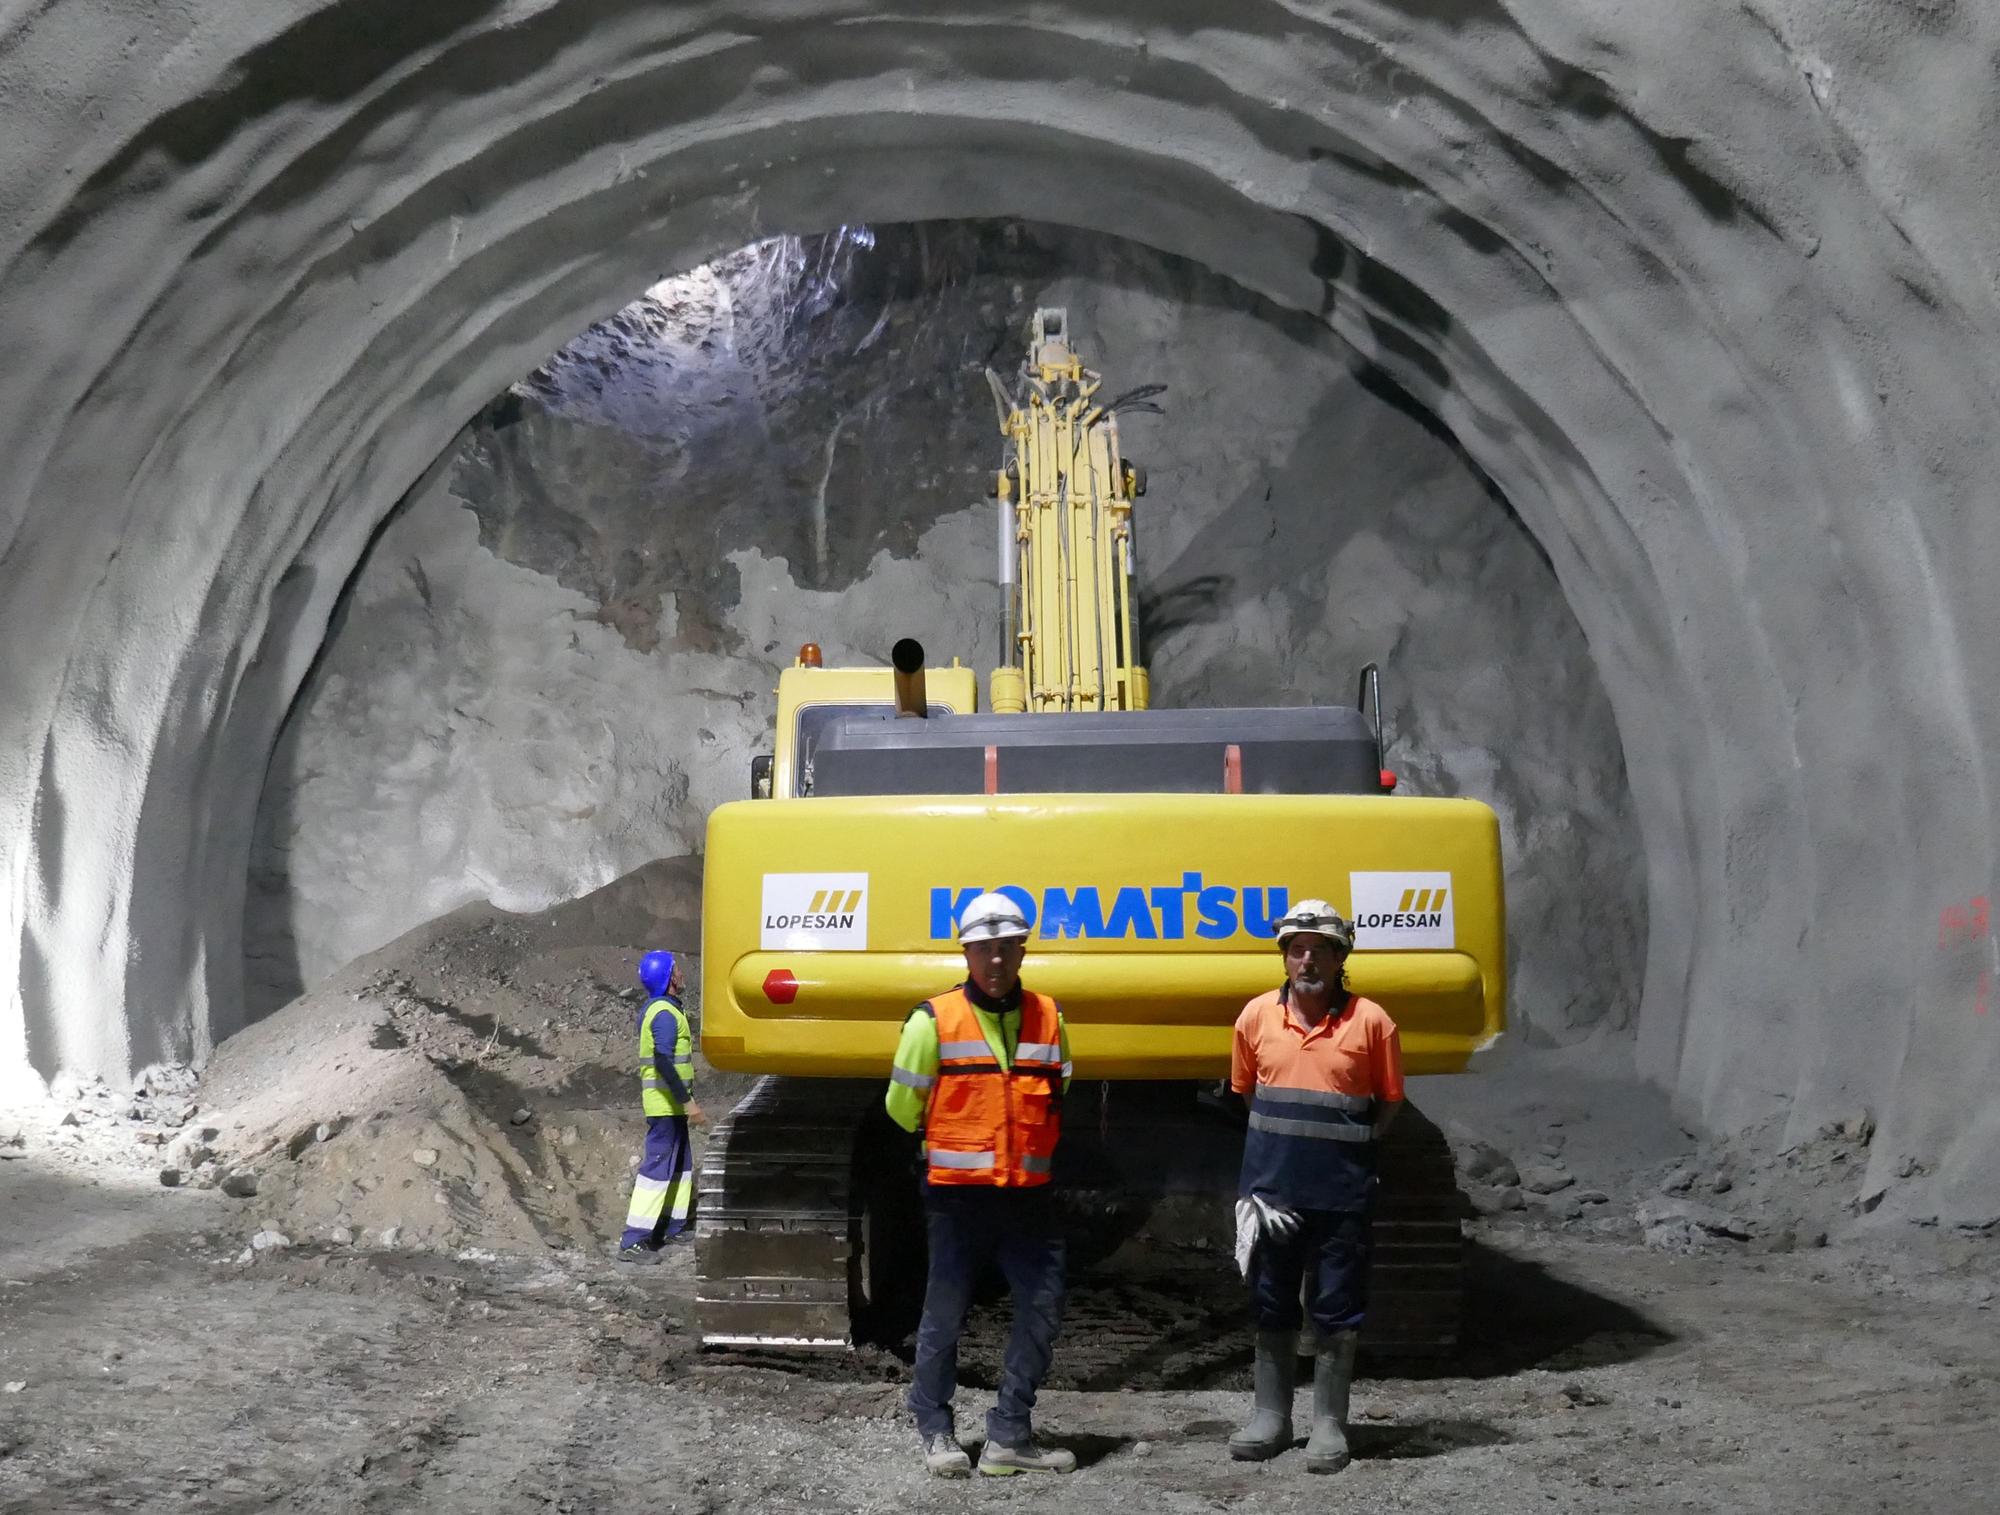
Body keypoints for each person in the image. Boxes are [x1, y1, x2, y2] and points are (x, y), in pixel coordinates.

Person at [883, 892, 1077, 1479]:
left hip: (1028, 1198)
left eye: (1005, 948)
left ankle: (1009, 1436)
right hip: (957, 1199)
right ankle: (935, 1428)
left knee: (1042, 1308)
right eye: (983, 950)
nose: (995, 961)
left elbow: (1059, 1088)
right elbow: (901, 1107)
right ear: (966, 953)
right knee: (944, 1313)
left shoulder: (1050, 1017)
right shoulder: (932, 1021)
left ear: (1022, 949)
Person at [1227, 899, 1403, 1473]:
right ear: (1284, 957)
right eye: (1297, 949)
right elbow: (1249, 1094)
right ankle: (1271, 1418)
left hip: (1341, 1197)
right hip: (1273, 1195)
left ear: (1338, 957)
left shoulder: (1372, 1022)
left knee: (1336, 1308)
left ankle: (1328, 1425)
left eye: (1319, 950)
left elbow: (1388, 1105)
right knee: (1272, 1303)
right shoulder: (1254, 1018)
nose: (1307, 960)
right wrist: (1270, 1181)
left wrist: (1344, 1159)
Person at [618, 949, 707, 1262]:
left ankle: (671, 1225)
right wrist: (688, 1102)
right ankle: (634, 1241)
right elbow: (663, 1062)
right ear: (669, 977)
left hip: (671, 1107)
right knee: (657, 1170)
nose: (682, 974)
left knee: (679, 1167)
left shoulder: (664, 1009)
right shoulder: (664, 1014)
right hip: (666, 1105)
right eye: (677, 970)